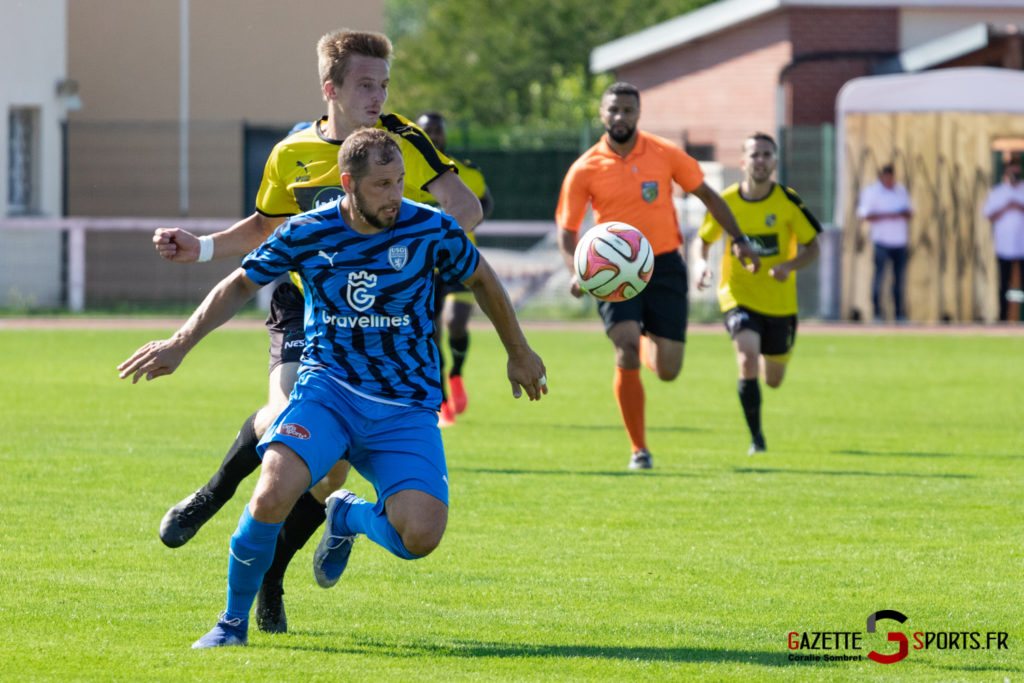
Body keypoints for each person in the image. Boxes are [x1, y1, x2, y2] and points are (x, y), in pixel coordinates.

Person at [118, 128, 548, 649]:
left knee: (421, 537)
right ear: (348, 183)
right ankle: (230, 625)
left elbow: (481, 276)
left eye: (400, 182)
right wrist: (180, 343)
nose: (395, 196)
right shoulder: (307, 231)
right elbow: (240, 284)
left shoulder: (430, 227)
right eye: (382, 185)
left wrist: (519, 352)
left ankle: (347, 514)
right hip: (329, 392)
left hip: (405, 406)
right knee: (273, 493)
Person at [147, 29, 483, 634]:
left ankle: (273, 574)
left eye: (383, 84)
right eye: (364, 85)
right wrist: (200, 248)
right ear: (330, 88)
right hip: (303, 308)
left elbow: (465, 208)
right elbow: (261, 229)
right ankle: (215, 495)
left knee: (328, 476)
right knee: (286, 430)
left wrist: (405, 250)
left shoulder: (401, 143)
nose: (377, 96)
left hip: (378, 320)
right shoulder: (293, 152)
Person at [555, 82, 760, 470]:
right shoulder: (584, 168)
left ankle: (646, 337)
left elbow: (709, 196)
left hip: (663, 264)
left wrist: (741, 240)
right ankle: (639, 450)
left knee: (668, 370)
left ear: (638, 113)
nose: (620, 117)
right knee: (625, 348)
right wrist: (575, 273)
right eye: (613, 110)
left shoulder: (664, 154)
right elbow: (567, 231)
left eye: (628, 110)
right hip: (610, 272)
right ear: (602, 113)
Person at [696, 133, 821, 455]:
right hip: (737, 296)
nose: (761, 160)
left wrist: (789, 266)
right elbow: (704, 239)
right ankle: (757, 439)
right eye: (755, 155)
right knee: (747, 358)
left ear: (775, 162)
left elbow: (813, 247)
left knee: (773, 379)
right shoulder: (726, 201)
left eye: (767, 155)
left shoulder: (788, 201)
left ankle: (764, 386)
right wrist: (699, 264)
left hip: (780, 303)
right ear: (743, 161)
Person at [416, 111, 495, 425]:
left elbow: (485, 200)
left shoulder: (464, 172)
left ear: (445, 134)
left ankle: (457, 374)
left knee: (457, 323)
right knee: (431, 333)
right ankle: (444, 399)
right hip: (424, 267)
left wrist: (470, 221)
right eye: (427, 131)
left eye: (438, 130)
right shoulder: (407, 171)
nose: (433, 136)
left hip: (459, 260)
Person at [856, 164, 912, 322]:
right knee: (879, 278)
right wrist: (890, 215)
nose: (890, 181)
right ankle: (877, 313)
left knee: (898, 280)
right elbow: (864, 215)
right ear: (882, 177)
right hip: (881, 241)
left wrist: (900, 214)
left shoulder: (901, 191)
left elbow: (909, 212)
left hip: (899, 242)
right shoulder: (872, 192)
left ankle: (899, 314)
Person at [982, 163, 1024, 322]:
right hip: (1004, 246)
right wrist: (1006, 207)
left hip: (1022, 245)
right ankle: (1003, 318)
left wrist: (1019, 206)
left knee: (1020, 288)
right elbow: (988, 215)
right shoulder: (997, 192)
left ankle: (1020, 317)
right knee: (1004, 285)